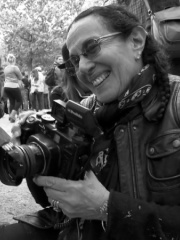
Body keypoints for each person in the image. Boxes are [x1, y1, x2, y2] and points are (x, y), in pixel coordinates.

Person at [1, 4, 180, 240]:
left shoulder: (175, 104)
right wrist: (38, 153)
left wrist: (107, 208)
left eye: (92, 47)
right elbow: (56, 204)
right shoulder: (81, 112)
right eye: (75, 60)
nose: (82, 67)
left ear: (136, 41)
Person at [3, 54, 23, 122]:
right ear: (14, 60)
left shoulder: (5, 68)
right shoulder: (15, 68)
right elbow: (20, 77)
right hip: (13, 86)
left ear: (8, 60)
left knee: (12, 102)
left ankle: (11, 118)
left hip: (6, 86)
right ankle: (12, 114)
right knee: (19, 101)